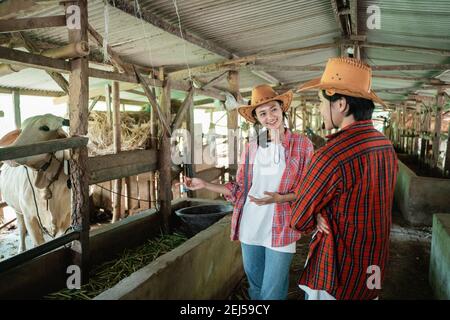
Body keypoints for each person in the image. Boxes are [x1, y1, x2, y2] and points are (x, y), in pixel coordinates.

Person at [183, 84, 314, 300]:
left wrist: (281, 198)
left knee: (272, 293)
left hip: (281, 227)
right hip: (251, 225)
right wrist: (205, 185)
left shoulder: (301, 144)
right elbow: (240, 189)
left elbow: (309, 188)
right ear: (256, 119)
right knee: (255, 289)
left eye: (273, 109)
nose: (270, 117)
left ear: (282, 109)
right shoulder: (252, 146)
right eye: (262, 113)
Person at [290, 57, 398, 300]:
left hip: (337, 273)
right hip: (373, 268)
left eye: (320, 102)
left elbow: (298, 219)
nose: (319, 109)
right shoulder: (385, 146)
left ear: (341, 104)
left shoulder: (330, 156)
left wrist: (316, 214)